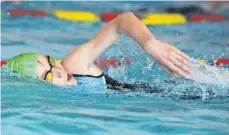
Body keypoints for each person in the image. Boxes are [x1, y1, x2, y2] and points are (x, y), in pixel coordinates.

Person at [5, 12, 191, 90]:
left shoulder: (73, 65)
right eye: (49, 76)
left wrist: (151, 44)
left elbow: (121, 22)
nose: (60, 70)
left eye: (52, 61)